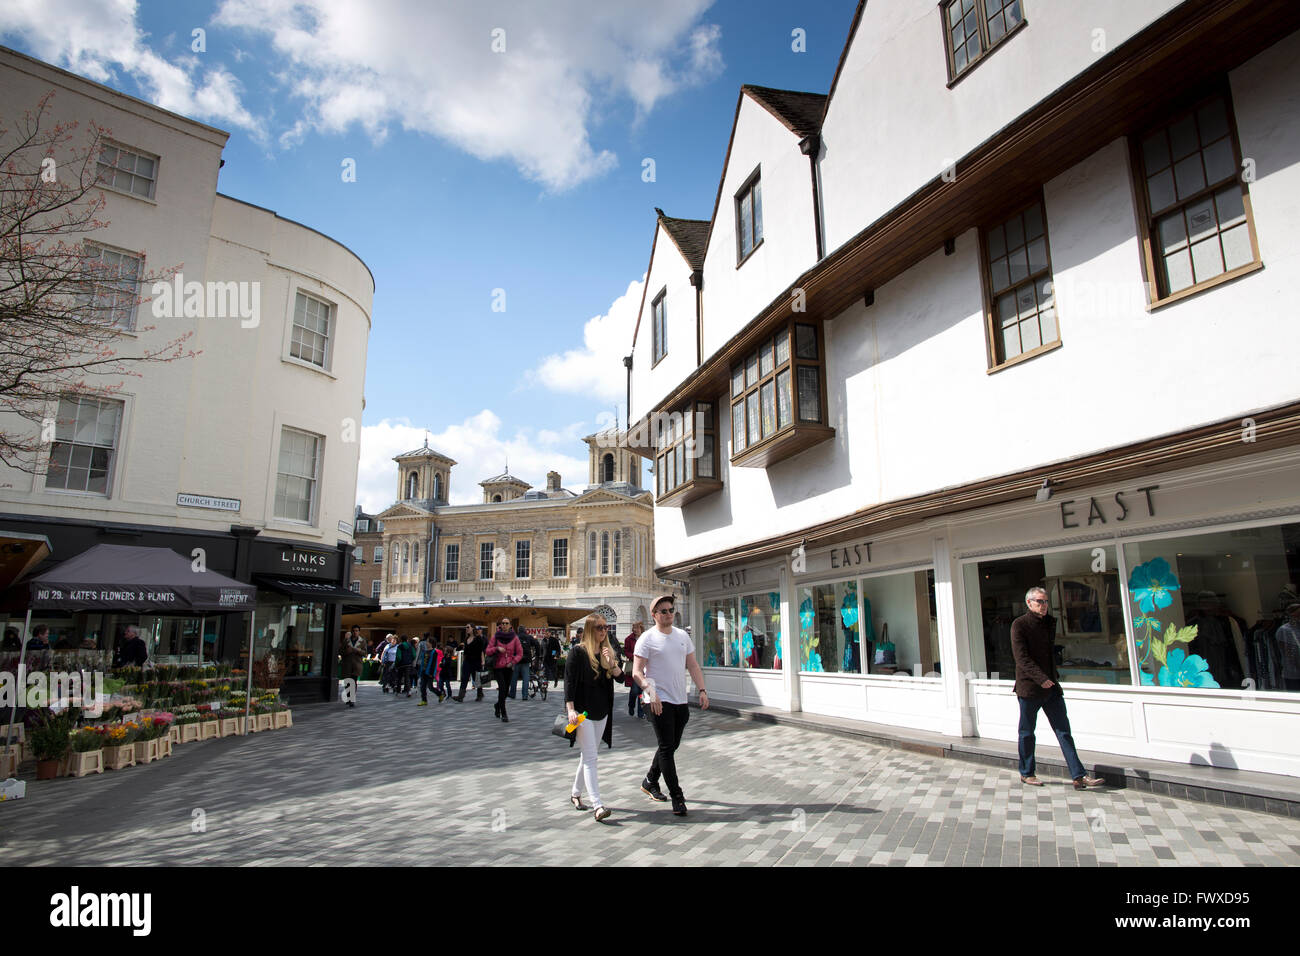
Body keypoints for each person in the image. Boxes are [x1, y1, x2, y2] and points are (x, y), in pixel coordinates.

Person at [1012, 586, 1106, 790]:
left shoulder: (1049, 623)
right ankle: (1027, 773)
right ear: (1029, 603)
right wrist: (1041, 678)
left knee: (1064, 731)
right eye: (1039, 601)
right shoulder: (1019, 625)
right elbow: (1022, 659)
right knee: (1027, 731)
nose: (1044, 605)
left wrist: (1052, 679)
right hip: (1029, 688)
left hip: (1052, 688)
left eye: (1046, 602)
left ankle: (1079, 775)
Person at [632, 595, 708, 816]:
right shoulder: (647, 638)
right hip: (657, 699)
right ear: (654, 615)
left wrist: (702, 690)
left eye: (670, 610)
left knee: (671, 745)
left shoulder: (682, 636)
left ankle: (650, 780)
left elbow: (692, 665)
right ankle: (678, 797)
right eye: (663, 611)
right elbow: (636, 672)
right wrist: (650, 691)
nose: (668, 614)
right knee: (666, 747)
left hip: (680, 700)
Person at [565, 615, 625, 822]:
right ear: (590, 629)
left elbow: (621, 678)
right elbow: (569, 683)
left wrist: (611, 663)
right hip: (583, 713)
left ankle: (575, 793)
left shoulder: (607, 652)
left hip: (602, 711)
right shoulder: (578, 652)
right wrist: (570, 709)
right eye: (599, 628)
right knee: (591, 757)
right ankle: (597, 805)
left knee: (588, 754)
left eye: (606, 627)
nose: (603, 631)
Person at [486, 618, 522, 722]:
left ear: (510, 625)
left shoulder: (514, 638)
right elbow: (488, 651)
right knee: (502, 688)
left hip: (509, 667)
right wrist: (496, 648)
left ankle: (497, 705)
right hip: (498, 667)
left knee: (506, 691)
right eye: (503, 623)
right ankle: (504, 712)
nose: (504, 625)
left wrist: (513, 662)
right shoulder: (496, 637)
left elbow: (520, 653)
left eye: (507, 623)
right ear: (500, 625)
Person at [454, 625, 485, 702]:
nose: (466, 629)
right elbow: (465, 652)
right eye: (466, 627)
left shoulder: (478, 639)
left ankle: (480, 694)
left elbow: (481, 651)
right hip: (467, 661)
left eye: (468, 627)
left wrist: (483, 661)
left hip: (476, 661)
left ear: (472, 628)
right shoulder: (466, 639)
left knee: (476, 679)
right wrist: (464, 661)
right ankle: (460, 696)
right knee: (464, 678)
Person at [339, 625, 366, 708]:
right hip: (347, 664)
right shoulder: (346, 641)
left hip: (356, 665)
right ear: (351, 631)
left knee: (353, 682)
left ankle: (352, 699)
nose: (355, 632)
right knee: (347, 682)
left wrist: (357, 650)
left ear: (359, 632)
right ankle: (348, 697)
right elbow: (340, 651)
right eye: (354, 630)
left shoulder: (362, 641)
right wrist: (347, 651)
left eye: (357, 630)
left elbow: (365, 653)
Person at [1275, 603, 1300, 692]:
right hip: (1293, 674)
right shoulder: (1284, 630)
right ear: (1291, 615)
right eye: (1298, 614)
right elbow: (1289, 653)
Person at [623, 621, 645, 718]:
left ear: (641, 628)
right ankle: (631, 705)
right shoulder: (629, 639)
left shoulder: (645, 638)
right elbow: (626, 651)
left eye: (637, 628)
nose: (635, 630)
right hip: (634, 666)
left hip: (644, 667)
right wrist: (634, 657)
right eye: (634, 628)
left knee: (642, 691)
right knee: (635, 690)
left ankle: (641, 712)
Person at [511, 626, 538, 700]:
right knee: (526, 678)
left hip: (517, 659)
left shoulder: (515, 637)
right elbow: (536, 644)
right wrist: (537, 655)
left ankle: (512, 694)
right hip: (526, 660)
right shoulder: (529, 637)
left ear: (518, 630)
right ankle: (525, 696)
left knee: (514, 678)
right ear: (525, 630)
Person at [415, 635, 442, 706]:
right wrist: (420, 671)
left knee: (430, 687)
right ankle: (424, 700)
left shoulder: (434, 652)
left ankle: (440, 694)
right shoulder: (425, 652)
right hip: (423, 671)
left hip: (430, 672)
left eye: (427, 641)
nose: (426, 643)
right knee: (422, 687)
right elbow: (423, 662)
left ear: (431, 643)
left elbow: (434, 663)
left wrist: (432, 672)